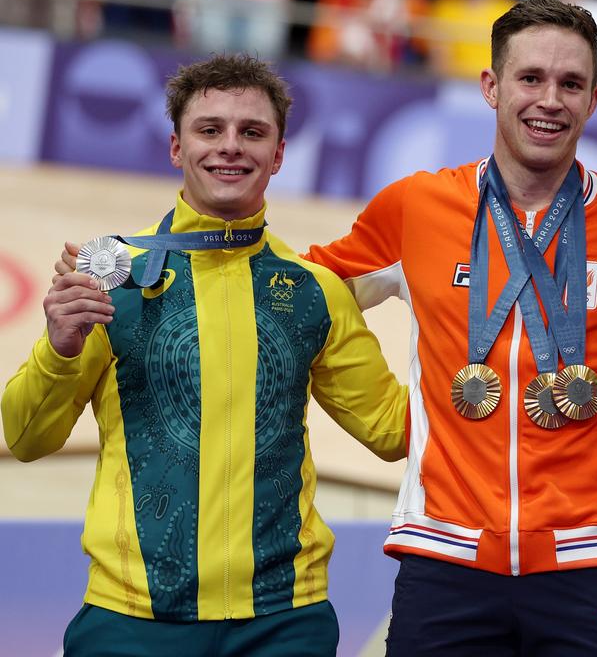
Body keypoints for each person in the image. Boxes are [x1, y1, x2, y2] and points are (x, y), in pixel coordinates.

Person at [304, 0, 597, 655]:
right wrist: (144, 262)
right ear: (491, 86)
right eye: (531, 78)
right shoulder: (418, 209)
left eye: (570, 84)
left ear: (594, 100)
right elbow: (300, 294)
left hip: (596, 561)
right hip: (444, 558)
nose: (549, 100)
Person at [2, 54, 408, 656]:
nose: (230, 148)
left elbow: (393, 429)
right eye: (209, 129)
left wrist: (467, 336)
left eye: (252, 132)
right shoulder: (113, 278)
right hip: (130, 620)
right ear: (175, 147)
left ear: (278, 155)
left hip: (283, 621)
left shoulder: (312, 290)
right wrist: (60, 350)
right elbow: (28, 436)